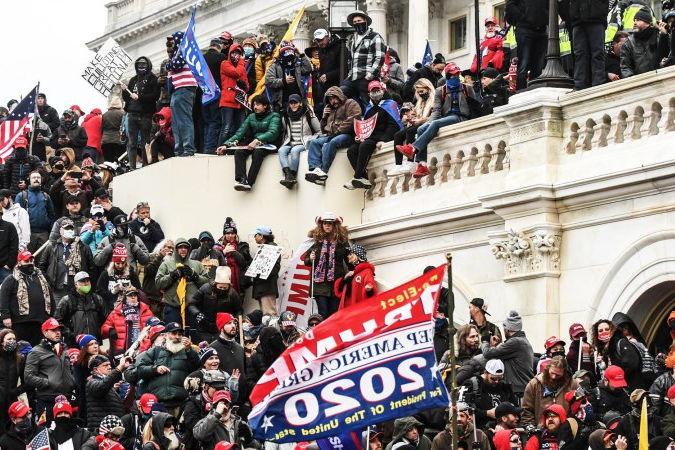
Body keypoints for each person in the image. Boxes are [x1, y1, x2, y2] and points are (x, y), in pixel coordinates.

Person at [396, 62, 476, 179]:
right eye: (452, 75)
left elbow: (474, 106)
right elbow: (437, 110)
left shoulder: (467, 88)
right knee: (422, 128)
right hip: (445, 117)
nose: (454, 77)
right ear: (448, 76)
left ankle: (413, 148)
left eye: (456, 75)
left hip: (460, 117)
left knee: (435, 123)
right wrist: (429, 123)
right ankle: (422, 164)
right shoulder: (441, 90)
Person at [344, 80, 402, 190]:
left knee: (365, 146)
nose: (375, 93)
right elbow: (365, 125)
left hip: (381, 136)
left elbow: (393, 126)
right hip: (370, 136)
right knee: (351, 151)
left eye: (377, 90)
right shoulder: (369, 108)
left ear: (382, 90)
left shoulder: (390, 104)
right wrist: (360, 136)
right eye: (373, 91)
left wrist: (384, 140)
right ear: (369, 93)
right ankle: (363, 177)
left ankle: (356, 177)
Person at [217, 95, 282, 192]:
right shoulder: (251, 117)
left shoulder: (274, 116)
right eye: (254, 105)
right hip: (253, 143)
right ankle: (241, 180)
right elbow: (240, 133)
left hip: (269, 144)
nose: (255, 107)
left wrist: (257, 140)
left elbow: (273, 133)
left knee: (258, 153)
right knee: (239, 152)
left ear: (265, 105)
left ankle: (249, 182)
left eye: (258, 104)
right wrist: (226, 145)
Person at [137, 321, 200, 414]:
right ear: (166, 335)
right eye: (174, 334)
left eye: (180, 334)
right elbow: (141, 369)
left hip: (182, 404)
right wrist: (155, 369)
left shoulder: (188, 351)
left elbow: (197, 368)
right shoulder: (155, 351)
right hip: (158, 404)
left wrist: (189, 350)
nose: (177, 337)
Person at [24, 318, 76, 426]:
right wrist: (49, 383)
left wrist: (71, 381)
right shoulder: (35, 352)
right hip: (47, 399)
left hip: (66, 398)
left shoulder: (64, 349)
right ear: (45, 332)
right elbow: (28, 377)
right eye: (53, 330)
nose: (57, 332)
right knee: (47, 432)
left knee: (66, 432)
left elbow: (70, 370)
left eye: (59, 329)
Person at [305, 87, 361, 184]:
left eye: (334, 98)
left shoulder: (350, 103)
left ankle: (323, 171)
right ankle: (315, 169)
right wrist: (324, 117)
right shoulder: (331, 109)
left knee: (332, 142)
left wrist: (337, 131)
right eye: (330, 100)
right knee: (314, 143)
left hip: (349, 134)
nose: (333, 101)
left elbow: (353, 119)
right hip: (332, 135)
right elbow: (323, 130)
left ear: (339, 96)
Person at [0, 250, 55, 345]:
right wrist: (6, 316)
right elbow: (4, 298)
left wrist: (52, 315)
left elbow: (50, 297)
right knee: (21, 349)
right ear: (19, 262)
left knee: (38, 349)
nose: (29, 263)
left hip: (40, 321)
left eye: (31, 261)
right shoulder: (11, 279)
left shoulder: (42, 278)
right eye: (26, 261)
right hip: (20, 323)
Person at [304, 213, 349, 319]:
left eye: (330, 223)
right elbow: (306, 260)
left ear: (334, 225)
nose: (327, 226)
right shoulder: (315, 242)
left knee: (334, 313)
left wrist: (355, 269)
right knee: (323, 313)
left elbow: (349, 259)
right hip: (320, 285)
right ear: (321, 225)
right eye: (325, 223)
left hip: (336, 283)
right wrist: (310, 258)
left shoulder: (342, 242)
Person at [155, 238, 209, 325]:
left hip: (192, 308)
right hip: (173, 307)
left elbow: (207, 284)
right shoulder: (166, 264)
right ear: (176, 249)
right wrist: (173, 275)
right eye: (180, 247)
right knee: (173, 336)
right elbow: (158, 284)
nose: (183, 249)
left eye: (186, 247)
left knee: (193, 336)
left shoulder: (197, 264)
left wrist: (194, 275)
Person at [481, 310, 534, 396]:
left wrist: (485, 340)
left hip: (518, 391)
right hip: (522, 388)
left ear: (507, 329)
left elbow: (487, 353)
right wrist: (495, 346)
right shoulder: (521, 341)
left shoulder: (515, 342)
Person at [39, 220, 94, 302]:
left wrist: (85, 283)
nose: (69, 231)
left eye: (71, 229)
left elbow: (92, 268)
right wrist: (48, 281)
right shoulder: (52, 246)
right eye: (66, 228)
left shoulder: (82, 247)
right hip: (56, 288)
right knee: (58, 312)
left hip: (76, 289)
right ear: (61, 230)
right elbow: (42, 266)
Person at [341, 10, 387, 107]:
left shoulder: (375, 37)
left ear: (365, 21)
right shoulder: (352, 38)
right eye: (355, 22)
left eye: (359, 20)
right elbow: (350, 58)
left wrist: (370, 75)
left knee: (368, 105)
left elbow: (380, 57)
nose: (357, 23)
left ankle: (370, 120)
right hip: (352, 77)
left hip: (366, 77)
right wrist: (350, 72)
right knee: (339, 94)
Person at [560, 0, 609, 89]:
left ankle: (597, 83)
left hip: (595, 19)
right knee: (580, 54)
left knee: (596, 53)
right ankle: (580, 84)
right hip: (578, 21)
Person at [390, 78, 435, 176]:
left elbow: (434, 117)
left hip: (426, 124)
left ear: (428, 89)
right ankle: (398, 165)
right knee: (397, 135)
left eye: (422, 91)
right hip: (418, 123)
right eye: (418, 92)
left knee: (410, 132)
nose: (420, 94)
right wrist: (410, 120)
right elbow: (414, 114)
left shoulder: (434, 100)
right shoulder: (419, 102)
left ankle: (410, 162)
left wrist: (420, 120)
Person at [459, 359, 518, 430]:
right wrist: (487, 413)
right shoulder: (472, 384)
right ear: (485, 373)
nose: (496, 382)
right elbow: (462, 409)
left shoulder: (505, 386)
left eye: (499, 379)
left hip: (504, 430)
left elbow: (516, 408)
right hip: (481, 429)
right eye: (493, 379)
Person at [190, 266, 243, 343]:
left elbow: (239, 310)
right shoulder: (205, 289)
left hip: (222, 328)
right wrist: (197, 314)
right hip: (204, 326)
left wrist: (235, 320)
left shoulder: (232, 293)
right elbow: (192, 304)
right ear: (215, 284)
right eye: (220, 287)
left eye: (225, 288)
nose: (222, 290)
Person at [522, 356, 579, 428]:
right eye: (552, 373)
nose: (554, 377)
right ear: (548, 368)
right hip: (541, 430)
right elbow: (526, 410)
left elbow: (582, 403)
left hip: (565, 430)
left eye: (558, 375)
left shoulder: (573, 384)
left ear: (564, 373)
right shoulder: (534, 384)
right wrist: (531, 428)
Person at [166, 31, 198, 157]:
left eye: (173, 41)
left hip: (184, 88)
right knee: (176, 123)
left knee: (184, 119)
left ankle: (188, 148)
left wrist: (169, 65)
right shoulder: (177, 53)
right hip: (177, 89)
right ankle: (179, 149)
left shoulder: (184, 50)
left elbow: (175, 65)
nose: (171, 45)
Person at [54, 270, 107, 347]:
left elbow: (106, 319)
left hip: (95, 343)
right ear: (76, 284)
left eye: (88, 281)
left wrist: (100, 334)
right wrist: (71, 335)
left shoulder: (97, 299)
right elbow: (57, 321)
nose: (86, 283)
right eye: (82, 281)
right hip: (74, 344)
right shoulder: (67, 300)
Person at [278, 94, 321, 188]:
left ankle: (292, 175)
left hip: (303, 142)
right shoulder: (286, 115)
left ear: (300, 103)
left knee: (294, 151)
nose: (293, 105)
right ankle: (288, 175)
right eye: (291, 103)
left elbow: (319, 131)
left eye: (295, 102)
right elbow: (284, 131)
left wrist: (311, 140)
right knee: (281, 150)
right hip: (289, 141)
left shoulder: (308, 113)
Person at [210, 313, 248, 413]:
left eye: (234, 323)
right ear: (221, 328)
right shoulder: (212, 349)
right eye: (229, 323)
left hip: (242, 402)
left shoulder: (240, 348)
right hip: (222, 403)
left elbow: (246, 372)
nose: (233, 326)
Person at [506, 0, 548, 90]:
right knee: (523, 66)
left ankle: (534, 91)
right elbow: (510, 6)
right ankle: (521, 93)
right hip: (524, 29)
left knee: (538, 66)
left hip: (541, 29)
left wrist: (545, 17)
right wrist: (524, 17)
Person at [181, 369, 228, 449]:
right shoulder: (193, 402)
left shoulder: (225, 401)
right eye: (217, 389)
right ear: (206, 387)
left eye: (222, 388)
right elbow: (195, 430)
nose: (220, 392)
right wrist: (215, 414)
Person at [592, 319, 644, 391]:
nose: (604, 332)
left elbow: (632, 364)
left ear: (612, 330)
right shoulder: (602, 351)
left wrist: (616, 378)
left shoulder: (621, 343)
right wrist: (600, 366)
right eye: (600, 331)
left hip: (631, 387)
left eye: (607, 329)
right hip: (616, 391)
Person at [102, 288, 153, 356]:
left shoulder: (146, 311)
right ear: (125, 298)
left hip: (142, 349)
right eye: (130, 295)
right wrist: (110, 330)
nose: (133, 297)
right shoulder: (116, 312)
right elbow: (104, 329)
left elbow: (154, 327)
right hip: (121, 351)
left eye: (135, 295)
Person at [85, 354, 131, 431]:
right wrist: (119, 368)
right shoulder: (91, 382)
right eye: (105, 365)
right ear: (96, 370)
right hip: (100, 431)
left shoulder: (109, 385)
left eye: (109, 365)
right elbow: (101, 387)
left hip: (110, 429)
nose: (109, 367)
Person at [266, 40, 312, 112]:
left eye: (290, 54)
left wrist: (302, 56)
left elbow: (308, 69)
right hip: (281, 103)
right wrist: (283, 81)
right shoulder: (274, 65)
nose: (289, 58)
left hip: (298, 102)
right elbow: (269, 81)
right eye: (286, 55)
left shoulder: (297, 64)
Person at [16, 171, 55, 253]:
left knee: (43, 261)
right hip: (28, 234)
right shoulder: (21, 196)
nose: (36, 179)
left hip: (44, 233)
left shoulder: (46, 196)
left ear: (41, 180)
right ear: (29, 180)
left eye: (38, 177)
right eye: (34, 177)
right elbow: (16, 216)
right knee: (28, 259)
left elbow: (51, 214)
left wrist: (51, 231)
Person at [95, 243, 142, 310]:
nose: (120, 266)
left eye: (123, 263)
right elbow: (99, 293)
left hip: (129, 308)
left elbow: (140, 291)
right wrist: (112, 292)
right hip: (110, 309)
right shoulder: (106, 274)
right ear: (113, 262)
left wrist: (132, 289)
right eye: (118, 263)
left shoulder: (131, 273)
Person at [219, 43, 249, 146]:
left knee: (240, 128)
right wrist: (242, 62)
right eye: (234, 53)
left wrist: (244, 86)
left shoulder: (242, 68)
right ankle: (221, 148)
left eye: (239, 54)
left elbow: (247, 86)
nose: (236, 56)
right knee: (226, 128)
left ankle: (236, 148)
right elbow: (235, 73)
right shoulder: (224, 64)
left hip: (239, 101)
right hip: (227, 101)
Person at [621, 8, 664, 78]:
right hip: (640, 83)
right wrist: (633, 82)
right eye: (634, 20)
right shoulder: (629, 42)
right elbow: (625, 67)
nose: (634, 23)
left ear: (647, 23)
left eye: (638, 20)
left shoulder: (658, 37)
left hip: (660, 80)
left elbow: (666, 57)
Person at [202, 38, 228, 154]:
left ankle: (205, 146)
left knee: (207, 122)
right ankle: (210, 148)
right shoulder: (221, 58)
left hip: (203, 95)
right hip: (216, 94)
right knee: (215, 121)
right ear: (219, 47)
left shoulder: (201, 58)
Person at [250, 225, 281, 316]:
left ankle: (272, 330)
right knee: (266, 315)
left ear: (261, 235)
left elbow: (274, 269)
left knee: (269, 315)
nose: (254, 237)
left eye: (256, 234)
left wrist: (259, 270)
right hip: (264, 287)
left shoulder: (270, 248)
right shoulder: (266, 248)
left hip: (267, 287)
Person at [335, 244, 377, 310]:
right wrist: (345, 278)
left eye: (351, 254)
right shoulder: (351, 273)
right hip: (347, 312)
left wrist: (369, 290)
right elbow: (340, 291)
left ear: (357, 256)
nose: (348, 256)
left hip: (358, 311)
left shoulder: (366, 271)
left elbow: (370, 291)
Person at [0, 329, 25, 435]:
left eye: (14, 339)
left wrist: (15, 391)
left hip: (12, 401)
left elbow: (27, 383)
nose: (12, 341)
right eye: (9, 339)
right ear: (2, 342)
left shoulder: (20, 359)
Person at [219, 217, 252, 295]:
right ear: (224, 235)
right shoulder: (218, 248)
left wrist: (233, 251)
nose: (230, 235)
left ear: (235, 234)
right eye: (228, 233)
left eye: (232, 233)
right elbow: (215, 264)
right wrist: (224, 252)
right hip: (222, 284)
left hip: (239, 284)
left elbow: (245, 263)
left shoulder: (242, 246)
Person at [314, 28, 343, 93]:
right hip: (325, 85)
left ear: (327, 37)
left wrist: (328, 76)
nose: (320, 43)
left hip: (338, 84)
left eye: (321, 40)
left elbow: (344, 68)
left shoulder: (339, 47)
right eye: (317, 41)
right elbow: (322, 66)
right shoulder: (321, 50)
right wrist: (320, 76)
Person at [101, 97, 126, 162]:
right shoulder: (123, 113)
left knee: (108, 163)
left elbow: (102, 129)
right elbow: (125, 127)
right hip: (118, 141)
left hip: (106, 141)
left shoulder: (105, 114)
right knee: (118, 163)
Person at [0, 206, 19, 282]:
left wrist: (9, 264)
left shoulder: (9, 226)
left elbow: (14, 247)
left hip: (4, 267)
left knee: (9, 290)